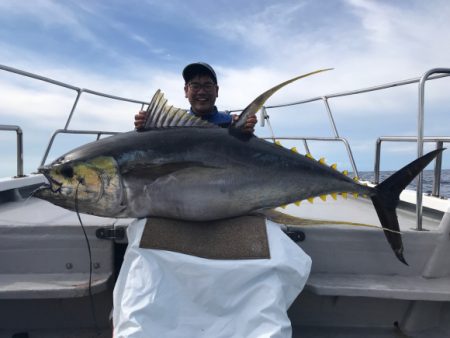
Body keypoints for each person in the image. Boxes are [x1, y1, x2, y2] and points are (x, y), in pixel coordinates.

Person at [134, 62, 257, 133]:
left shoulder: (230, 122)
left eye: (207, 85)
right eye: (195, 86)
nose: (202, 91)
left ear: (217, 91)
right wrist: (145, 128)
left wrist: (244, 133)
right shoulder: (168, 125)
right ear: (186, 91)